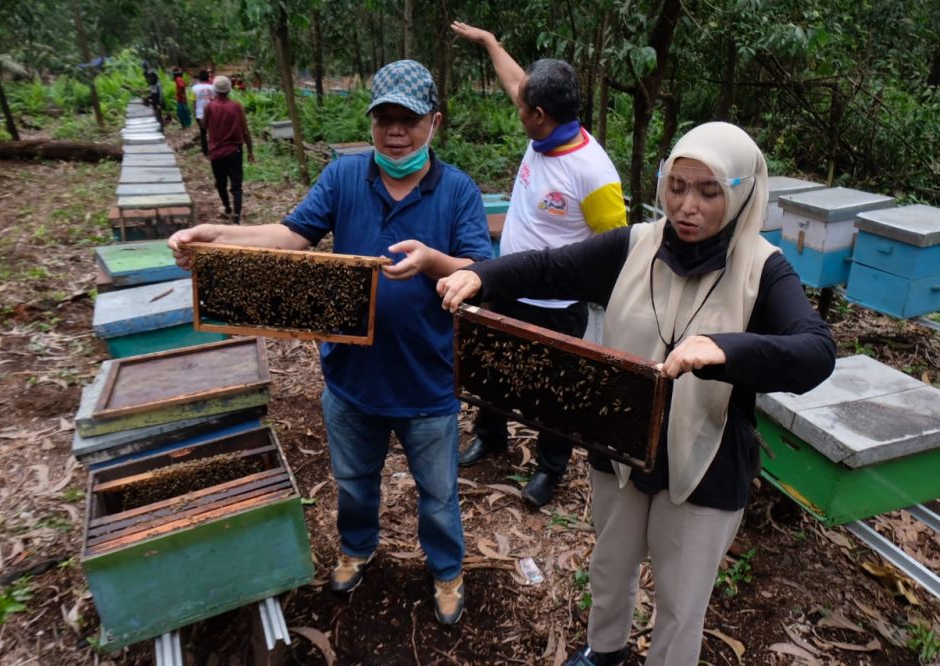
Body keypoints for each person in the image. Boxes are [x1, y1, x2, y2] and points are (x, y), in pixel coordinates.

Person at [437, 122, 835, 664]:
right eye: (676, 186)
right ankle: (605, 651)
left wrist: (727, 351)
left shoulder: (763, 270)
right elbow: (551, 268)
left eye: (708, 191)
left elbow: (816, 351)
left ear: (741, 192)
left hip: (705, 462)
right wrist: (483, 275)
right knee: (610, 566)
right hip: (619, 445)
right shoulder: (633, 245)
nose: (687, 206)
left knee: (680, 601)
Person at [169, 60, 492, 626]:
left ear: (433, 123)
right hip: (351, 378)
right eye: (384, 119)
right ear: (370, 122)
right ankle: (357, 547)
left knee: (438, 496)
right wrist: (220, 236)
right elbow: (291, 236)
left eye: (408, 120)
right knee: (354, 481)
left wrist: (430, 262)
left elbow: (479, 271)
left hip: (428, 380)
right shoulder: (345, 177)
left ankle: (446, 570)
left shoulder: (459, 191)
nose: (395, 132)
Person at [451, 22, 627, 507]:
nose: (517, 106)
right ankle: (491, 435)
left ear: (541, 115)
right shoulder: (545, 129)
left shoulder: (594, 173)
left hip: (556, 302)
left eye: (523, 106)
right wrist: (491, 41)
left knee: (557, 388)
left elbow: (616, 247)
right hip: (507, 283)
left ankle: (550, 469)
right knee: (492, 366)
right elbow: (515, 81)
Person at [203, 75, 254, 224]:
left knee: (220, 183)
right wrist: (250, 150)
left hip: (216, 152)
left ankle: (227, 207)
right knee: (236, 186)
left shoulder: (209, 106)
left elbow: (204, 125)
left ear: (215, 90)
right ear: (229, 90)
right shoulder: (236, 106)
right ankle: (237, 217)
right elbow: (245, 130)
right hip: (234, 151)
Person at [191, 70, 216, 155]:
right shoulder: (213, 88)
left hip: (200, 114)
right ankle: (214, 148)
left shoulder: (194, 88)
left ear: (199, 78)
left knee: (203, 133)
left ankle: (205, 151)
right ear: (208, 78)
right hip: (212, 113)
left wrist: (194, 113)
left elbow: (194, 102)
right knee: (212, 132)